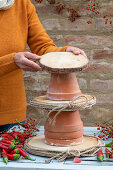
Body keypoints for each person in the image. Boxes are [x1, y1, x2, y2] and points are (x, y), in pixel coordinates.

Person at [0, 0, 87, 132]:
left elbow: (42, 46)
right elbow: (12, 60)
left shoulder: (22, 5)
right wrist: (11, 61)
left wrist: (64, 52)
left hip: (12, 114)